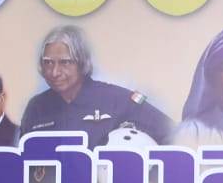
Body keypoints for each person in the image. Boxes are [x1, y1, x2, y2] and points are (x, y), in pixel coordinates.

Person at [18, 25, 173, 152]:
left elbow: (171, 133)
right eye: (48, 63)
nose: (55, 72)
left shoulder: (118, 99)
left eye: (65, 62)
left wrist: (150, 175)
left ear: (82, 62)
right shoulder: (36, 107)